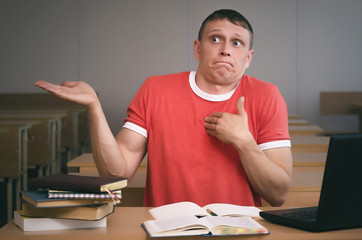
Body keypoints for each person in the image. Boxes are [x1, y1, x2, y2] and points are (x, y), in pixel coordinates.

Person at [35, 9, 292, 207]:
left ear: (248, 58)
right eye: (216, 39)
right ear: (197, 48)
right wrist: (94, 108)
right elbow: (116, 173)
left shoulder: (267, 96)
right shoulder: (155, 89)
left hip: (239, 229)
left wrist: (244, 142)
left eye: (236, 43)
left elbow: (278, 195)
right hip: (167, 230)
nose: (225, 50)